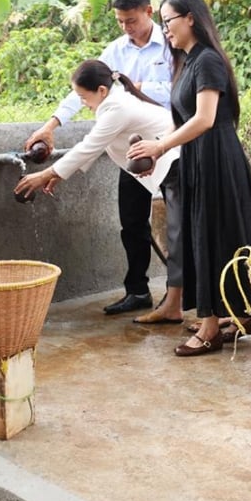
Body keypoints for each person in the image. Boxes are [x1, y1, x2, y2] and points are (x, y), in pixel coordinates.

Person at [128, 0, 251, 357]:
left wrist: (160, 147)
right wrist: (158, 151)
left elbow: (204, 119)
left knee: (213, 236)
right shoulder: (187, 62)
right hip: (197, 158)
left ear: (191, 18)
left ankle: (210, 328)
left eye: (169, 21)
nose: (165, 29)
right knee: (209, 235)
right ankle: (240, 315)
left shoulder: (207, 61)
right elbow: (182, 120)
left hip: (217, 158)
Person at [25, 0, 173, 316]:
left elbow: (182, 90)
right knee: (132, 223)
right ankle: (138, 291)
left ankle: (176, 296)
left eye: (131, 20)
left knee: (179, 223)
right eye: (120, 21)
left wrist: (138, 87)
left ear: (149, 12)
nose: (126, 27)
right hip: (131, 153)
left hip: (168, 145)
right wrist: (50, 126)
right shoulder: (115, 51)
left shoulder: (171, 43)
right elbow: (82, 90)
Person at [14, 59, 185, 324]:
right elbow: (94, 146)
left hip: (173, 160)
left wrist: (46, 174)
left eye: (84, 97)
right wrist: (56, 172)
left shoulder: (117, 107)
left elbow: (89, 145)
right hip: (136, 165)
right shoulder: (111, 100)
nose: (83, 103)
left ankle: (177, 303)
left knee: (179, 235)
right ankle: (139, 292)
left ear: (101, 90)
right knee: (133, 225)